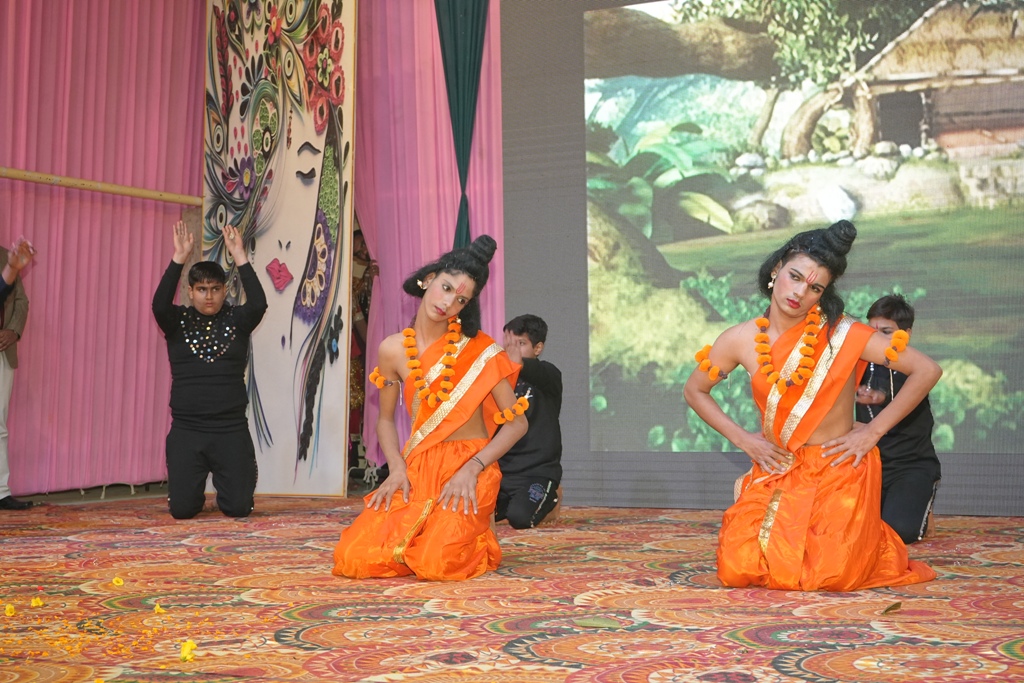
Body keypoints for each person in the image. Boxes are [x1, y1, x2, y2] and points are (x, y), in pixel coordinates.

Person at [683, 220, 940, 591]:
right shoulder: (739, 339)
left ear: (823, 293)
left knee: (827, 575)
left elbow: (926, 370)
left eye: (815, 287)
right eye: (795, 277)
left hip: (837, 467)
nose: (800, 292)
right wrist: (746, 441)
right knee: (738, 569)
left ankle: (872, 533)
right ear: (777, 269)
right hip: (781, 466)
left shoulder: (843, 334)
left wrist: (872, 432)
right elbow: (696, 390)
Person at [332, 235, 527, 581]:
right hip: (417, 466)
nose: (449, 302)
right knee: (354, 558)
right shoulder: (392, 349)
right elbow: (385, 421)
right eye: (446, 287)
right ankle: (437, 529)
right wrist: (396, 469)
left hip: (469, 466)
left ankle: (478, 532)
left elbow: (517, 423)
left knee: (436, 563)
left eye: (461, 299)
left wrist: (473, 467)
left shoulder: (482, 350)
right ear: (428, 279)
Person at [152, 221, 268, 519]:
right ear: (190, 292)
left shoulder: (237, 320)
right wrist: (179, 258)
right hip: (187, 430)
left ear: (224, 291)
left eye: (215, 289)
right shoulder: (177, 322)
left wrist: (239, 255)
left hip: (230, 429)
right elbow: (159, 305)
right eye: (201, 289)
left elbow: (258, 304)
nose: (209, 296)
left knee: (238, 509)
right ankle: (192, 492)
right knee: (182, 511)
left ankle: (229, 489)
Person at [856, 294, 940, 544]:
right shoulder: (858, 365)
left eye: (886, 332)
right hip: (868, 465)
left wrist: (880, 400)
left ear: (907, 334)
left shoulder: (915, 369)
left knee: (897, 532)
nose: (877, 339)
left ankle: (919, 502)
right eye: (871, 332)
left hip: (910, 465)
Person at [497, 314, 563, 528]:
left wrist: (518, 363)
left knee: (519, 519)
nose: (512, 350)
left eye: (521, 344)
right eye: (509, 344)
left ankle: (552, 497)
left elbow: (534, 370)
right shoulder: (498, 378)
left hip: (537, 472)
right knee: (474, 515)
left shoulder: (549, 375)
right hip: (501, 471)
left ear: (538, 348)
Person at [0, 238, 36, 511]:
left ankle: (1, 491)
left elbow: (21, 301)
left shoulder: (6, 255)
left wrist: (13, 331)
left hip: (3, 350)